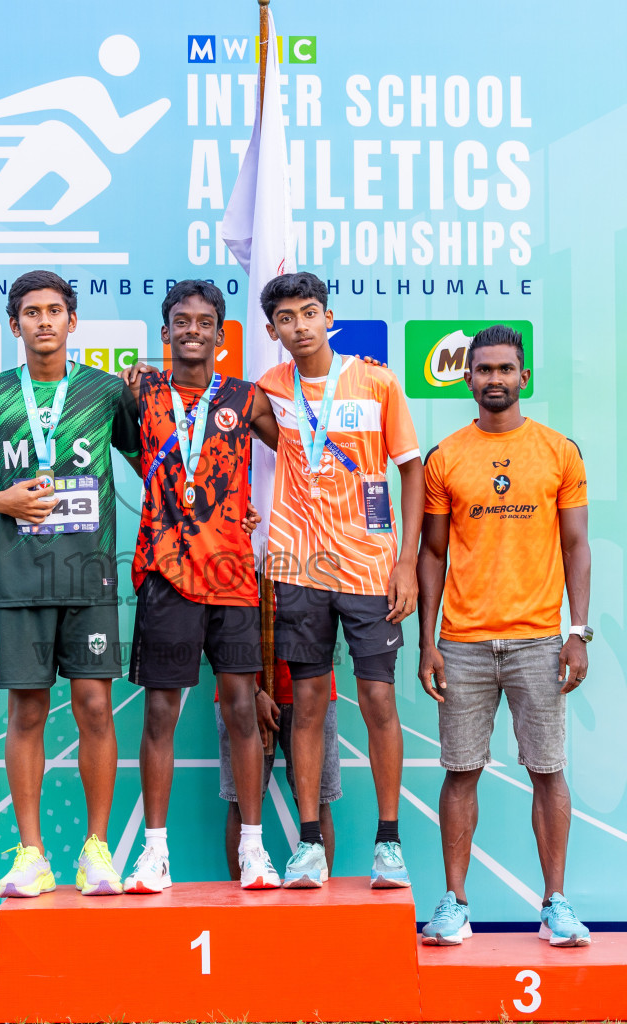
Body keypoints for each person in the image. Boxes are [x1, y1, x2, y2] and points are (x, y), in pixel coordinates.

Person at [0, 270, 142, 898]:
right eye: (31, 312)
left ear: (72, 320)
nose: (44, 321)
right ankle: (31, 854)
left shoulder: (106, 392)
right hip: (21, 579)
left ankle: (96, 851)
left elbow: (152, 459)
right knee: (26, 710)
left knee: (93, 707)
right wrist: (1, 500)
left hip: (87, 576)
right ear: (15, 325)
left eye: (55, 310)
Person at [414, 323, 593, 947]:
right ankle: (455, 904)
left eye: (504, 369)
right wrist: (427, 640)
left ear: (524, 377)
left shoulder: (559, 452)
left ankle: (556, 904)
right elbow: (431, 554)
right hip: (461, 643)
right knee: (462, 771)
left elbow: (576, 545)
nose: (494, 379)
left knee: (548, 771)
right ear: (468, 379)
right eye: (483, 370)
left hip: (540, 640)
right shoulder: (446, 457)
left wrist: (579, 631)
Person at [114, 280, 290, 892]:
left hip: (234, 575)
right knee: (161, 712)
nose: (192, 329)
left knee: (243, 712)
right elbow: (64, 391)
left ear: (221, 334)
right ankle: (154, 854)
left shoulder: (247, 398)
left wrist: (357, 378)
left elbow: (307, 447)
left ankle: (253, 850)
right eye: (180, 321)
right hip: (166, 573)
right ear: (165, 333)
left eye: (205, 321)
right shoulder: (137, 391)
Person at [256, 272, 423, 889]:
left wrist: (405, 561)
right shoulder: (269, 386)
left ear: (329, 318)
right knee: (308, 704)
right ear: (273, 331)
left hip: (369, 566)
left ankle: (389, 845)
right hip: (298, 565)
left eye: (308, 314)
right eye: (285, 319)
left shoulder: (377, 381)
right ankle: (308, 845)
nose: (299, 327)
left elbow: (412, 473)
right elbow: (198, 399)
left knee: (379, 699)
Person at [217, 660, 339, 881]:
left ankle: (320, 906)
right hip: (241, 686)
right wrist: (252, 691)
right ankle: (241, 903)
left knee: (319, 802)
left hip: (312, 684)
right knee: (239, 804)